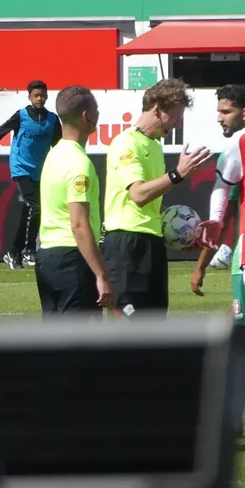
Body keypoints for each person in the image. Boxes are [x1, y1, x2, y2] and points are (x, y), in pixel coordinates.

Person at [102, 78, 211, 316]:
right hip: (126, 244)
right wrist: (177, 174)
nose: (177, 124)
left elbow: (150, 203)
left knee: (154, 323)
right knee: (127, 320)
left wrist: (180, 237)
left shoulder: (155, 147)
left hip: (152, 244)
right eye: (175, 117)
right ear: (157, 109)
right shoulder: (127, 143)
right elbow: (138, 195)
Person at [33, 86, 114, 316]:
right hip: (72, 258)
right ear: (86, 116)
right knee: (79, 335)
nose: (99, 114)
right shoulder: (79, 163)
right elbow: (78, 224)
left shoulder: (54, 154)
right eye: (96, 109)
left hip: (47, 256)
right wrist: (101, 274)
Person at [0, 80, 61, 270]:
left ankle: (13, 252)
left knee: (29, 211)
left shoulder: (52, 120)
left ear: (47, 96)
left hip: (41, 170)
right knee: (36, 207)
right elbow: (1, 131)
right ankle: (30, 250)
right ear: (29, 97)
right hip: (21, 167)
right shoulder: (22, 116)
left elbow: (58, 146)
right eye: (36, 95)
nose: (39, 99)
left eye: (42, 95)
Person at [194, 84, 245, 315]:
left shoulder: (239, 143)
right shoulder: (237, 145)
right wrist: (215, 220)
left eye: (226, 112)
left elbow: (223, 191)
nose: (219, 118)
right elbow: (223, 190)